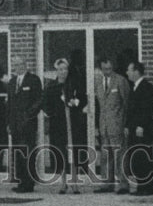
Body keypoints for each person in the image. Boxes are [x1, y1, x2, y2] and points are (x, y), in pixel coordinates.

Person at [41, 57, 87, 194]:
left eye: (65, 69)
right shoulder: (52, 86)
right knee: (61, 152)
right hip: (58, 124)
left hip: (73, 123)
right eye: (60, 69)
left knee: (74, 151)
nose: (63, 72)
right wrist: (51, 113)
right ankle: (63, 183)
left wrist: (75, 102)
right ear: (57, 70)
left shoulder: (74, 83)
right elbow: (45, 103)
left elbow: (83, 98)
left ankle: (75, 182)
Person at [94, 56, 130, 194]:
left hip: (117, 124)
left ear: (112, 67)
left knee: (120, 154)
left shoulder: (120, 81)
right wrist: (97, 126)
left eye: (109, 68)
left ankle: (123, 184)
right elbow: (98, 106)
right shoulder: (98, 82)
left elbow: (127, 104)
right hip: (104, 126)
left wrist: (125, 124)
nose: (107, 71)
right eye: (104, 69)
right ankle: (106, 184)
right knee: (105, 155)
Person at [8, 57, 42, 193]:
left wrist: (28, 115)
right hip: (15, 125)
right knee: (18, 153)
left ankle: (29, 183)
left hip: (28, 124)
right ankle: (21, 181)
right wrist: (9, 123)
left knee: (28, 153)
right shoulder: (11, 82)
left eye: (20, 64)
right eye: (15, 65)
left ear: (25, 64)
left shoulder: (33, 80)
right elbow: (9, 105)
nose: (18, 67)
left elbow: (39, 100)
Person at [125, 60, 153, 196]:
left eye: (129, 70)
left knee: (143, 157)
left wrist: (141, 125)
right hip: (133, 128)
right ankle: (140, 186)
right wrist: (127, 125)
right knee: (136, 157)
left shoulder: (146, 87)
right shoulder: (134, 87)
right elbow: (130, 110)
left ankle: (147, 188)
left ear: (136, 71)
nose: (127, 73)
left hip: (142, 128)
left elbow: (147, 108)